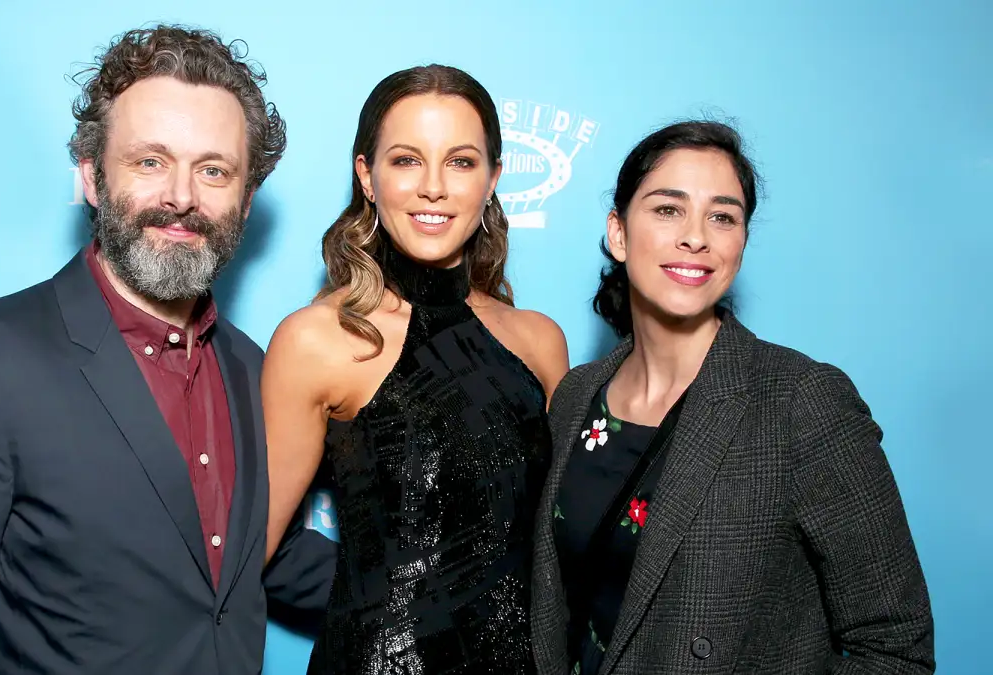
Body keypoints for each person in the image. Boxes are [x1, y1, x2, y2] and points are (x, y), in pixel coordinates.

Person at [0, 25, 335, 675]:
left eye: (214, 170)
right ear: (90, 176)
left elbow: (258, 557)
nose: (181, 196)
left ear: (247, 200)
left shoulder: (259, 370)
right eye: (150, 161)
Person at [530, 120, 935, 674]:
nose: (695, 236)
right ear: (619, 233)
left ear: (740, 243)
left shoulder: (801, 403)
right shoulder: (577, 396)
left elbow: (895, 647)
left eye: (722, 216)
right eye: (668, 209)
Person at [261, 64, 570, 674]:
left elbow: (563, 545)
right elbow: (252, 552)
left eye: (460, 162)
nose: (434, 186)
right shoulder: (318, 340)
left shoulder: (539, 342)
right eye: (405, 160)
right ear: (367, 178)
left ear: (493, 180)